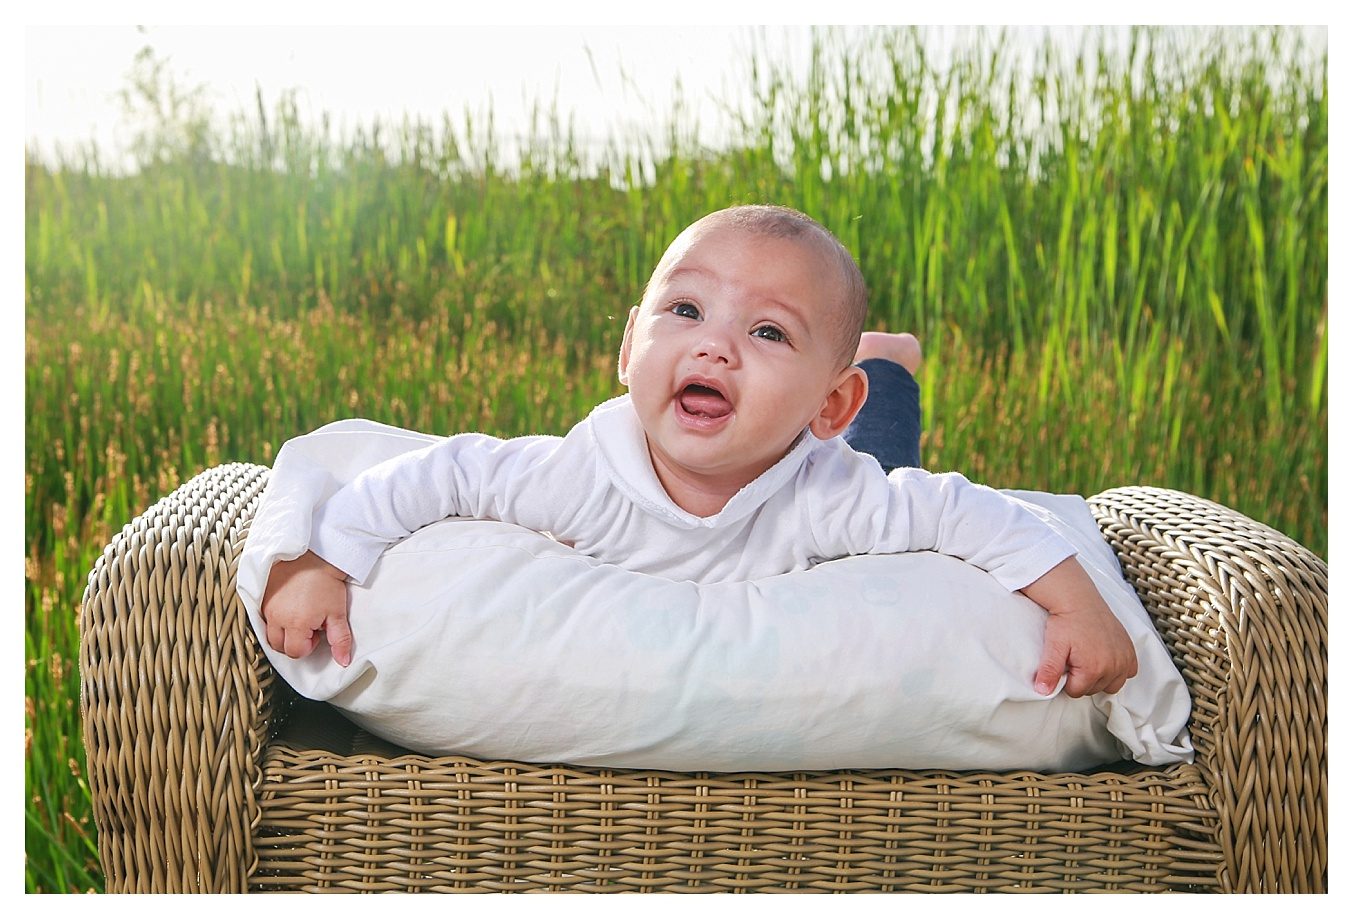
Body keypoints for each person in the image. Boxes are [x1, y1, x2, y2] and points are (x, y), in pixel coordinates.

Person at [262, 205, 1137, 698]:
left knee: (893, 460)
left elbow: (970, 514)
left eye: (765, 330)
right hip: (800, 423)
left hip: (830, 447)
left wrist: (1080, 608)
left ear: (826, 402)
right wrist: (320, 559)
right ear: (626, 350)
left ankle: (884, 365)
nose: (713, 348)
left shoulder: (839, 492)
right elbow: (438, 471)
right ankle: (869, 357)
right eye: (685, 312)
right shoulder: (577, 472)